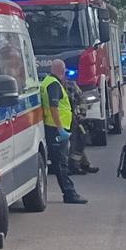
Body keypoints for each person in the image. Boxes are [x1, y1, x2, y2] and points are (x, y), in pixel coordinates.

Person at [39, 60, 90, 205]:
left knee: (60, 162)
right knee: (61, 163)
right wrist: (60, 128)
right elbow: (54, 107)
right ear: (62, 70)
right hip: (56, 129)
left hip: (54, 127)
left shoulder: (48, 82)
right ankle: (69, 193)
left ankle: (69, 192)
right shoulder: (54, 85)